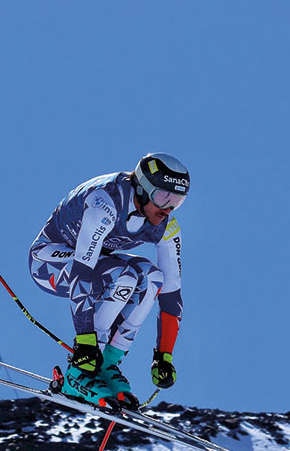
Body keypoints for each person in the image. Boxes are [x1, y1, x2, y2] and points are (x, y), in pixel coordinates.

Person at [29, 153, 186, 409]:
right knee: (123, 276)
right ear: (143, 189)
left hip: (95, 264)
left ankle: (109, 362)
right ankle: (78, 373)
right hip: (49, 262)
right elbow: (83, 271)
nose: (167, 208)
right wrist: (85, 342)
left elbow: (172, 293)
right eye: (163, 197)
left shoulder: (166, 226)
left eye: (177, 201)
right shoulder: (105, 202)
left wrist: (164, 355)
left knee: (152, 277)